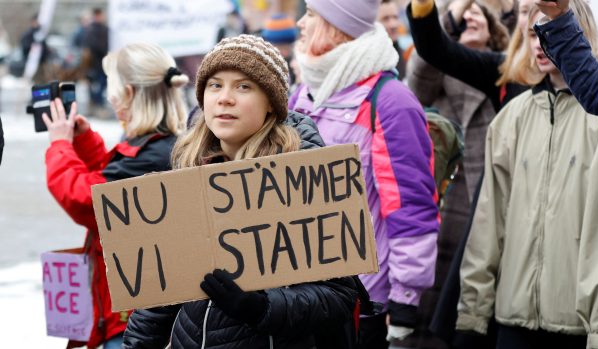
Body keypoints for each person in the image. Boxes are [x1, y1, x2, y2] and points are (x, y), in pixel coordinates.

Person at [122, 34, 361, 349]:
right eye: (215, 85)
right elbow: (161, 290)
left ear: (270, 103)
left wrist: (261, 307)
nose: (225, 98)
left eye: (244, 86)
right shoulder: (188, 168)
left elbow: (339, 296)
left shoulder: (304, 175)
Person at [457, 3, 598, 348]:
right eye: (531, 34)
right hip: (515, 318)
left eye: (547, 31)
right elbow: (488, 225)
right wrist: (472, 315)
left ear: (580, 33)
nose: (538, 43)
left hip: (580, 324)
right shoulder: (511, 118)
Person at [290, 1, 440, 348]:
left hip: (364, 304)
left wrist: (404, 304)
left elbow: (411, 212)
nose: (301, 23)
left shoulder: (389, 102)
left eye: (311, 14)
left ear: (335, 26)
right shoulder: (303, 96)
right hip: (304, 299)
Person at [43, 42, 188, 349]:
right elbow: (113, 181)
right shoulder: (161, 146)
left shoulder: (149, 156)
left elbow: (86, 199)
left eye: (112, 87)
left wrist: (60, 145)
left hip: (131, 321)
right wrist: (84, 142)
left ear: (130, 93)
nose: (109, 98)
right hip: (137, 311)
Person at [405, 1, 508, 348]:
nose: (472, 14)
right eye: (466, 12)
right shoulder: (437, 74)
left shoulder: (507, 73)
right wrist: (448, 14)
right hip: (441, 205)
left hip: (488, 205)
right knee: (429, 307)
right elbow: (421, 68)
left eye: (480, 11)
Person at [407, 0, 542, 112]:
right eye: (460, 16)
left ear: (490, 28)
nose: (468, 17)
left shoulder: (505, 66)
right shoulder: (441, 69)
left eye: (475, 13)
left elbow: (518, 34)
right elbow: (431, 47)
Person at [533, 0, 598, 118]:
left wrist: (560, 19)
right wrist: (559, 16)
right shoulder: (518, 108)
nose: (538, 44)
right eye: (533, 35)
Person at [84, 8, 109, 111]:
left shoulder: (102, 28)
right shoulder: (92, 29)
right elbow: (94, 46)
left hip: (101, 62)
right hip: (96, 63)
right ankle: (96, 103)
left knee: (101, 83)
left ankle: (96, 102)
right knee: (98, 84)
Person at [377, 0, 407, 78]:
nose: (393, 24)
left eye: (395, 17)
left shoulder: (406, 56)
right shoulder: (368, 62)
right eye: (385, 19)